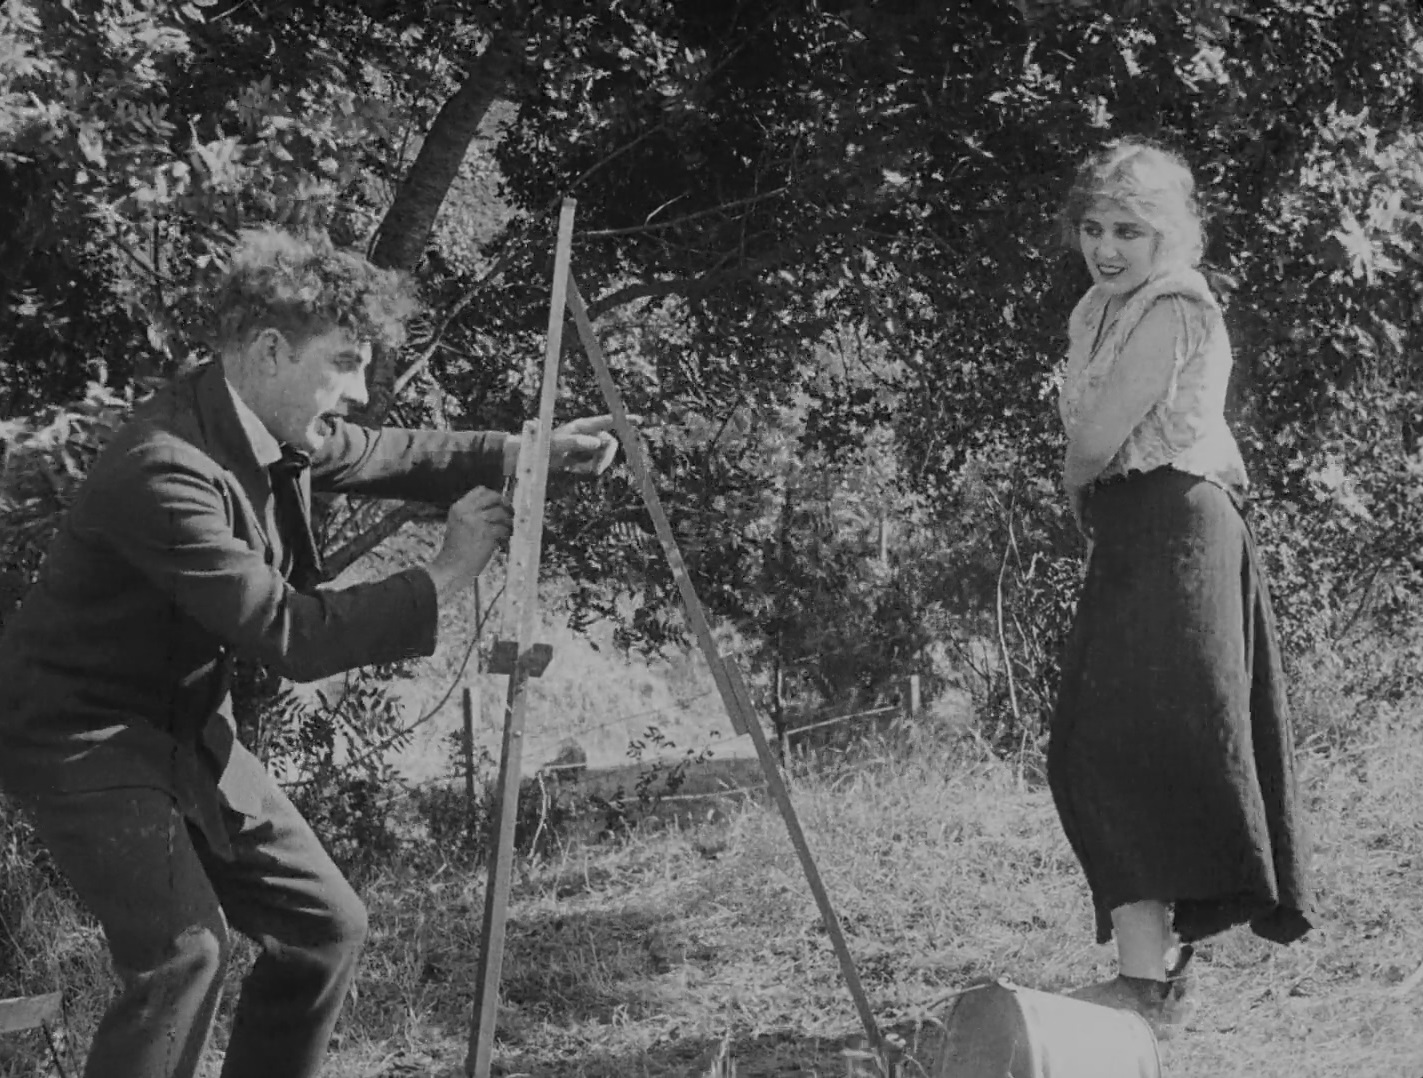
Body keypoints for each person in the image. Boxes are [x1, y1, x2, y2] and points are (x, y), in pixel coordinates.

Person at [0, 227, 622, 1078]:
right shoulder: (164, 468)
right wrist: (445, 573)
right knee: (184, 954)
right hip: (78, 738)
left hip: (181, 727)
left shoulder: (255, 421)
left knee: (325, 929)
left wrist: (525, 452)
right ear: (269, 351)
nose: (360, 392)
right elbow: (290, 634)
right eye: (345, 363)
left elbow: (379, 452)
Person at [1048, 139, 1314, 1036]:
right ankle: (1152, 969)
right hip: (1135, 531)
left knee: (1131, 744)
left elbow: (1092, 444)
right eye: (1093, 227)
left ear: (1171, 234)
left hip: (1177, 524)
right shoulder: (1098, 309)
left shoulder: (1172, 304)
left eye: (1129, 228)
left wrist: (1076, 480)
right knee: (1108, 744)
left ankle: (1149, 982)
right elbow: (1093, 443)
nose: (1106, 246)